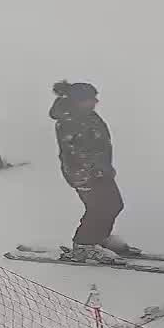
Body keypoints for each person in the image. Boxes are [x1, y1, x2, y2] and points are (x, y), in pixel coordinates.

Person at [51, 81, 128, 261]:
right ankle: (84, 245)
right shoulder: (68, 121)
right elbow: (74, 153)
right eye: (90, 99)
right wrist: (90, 172)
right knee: (98, 208)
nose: (95, 101)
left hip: (100, 171)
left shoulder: (88, 115)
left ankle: (99, 238)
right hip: (83, 174)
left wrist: (104, 167)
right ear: (77, 101)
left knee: (115, 204)